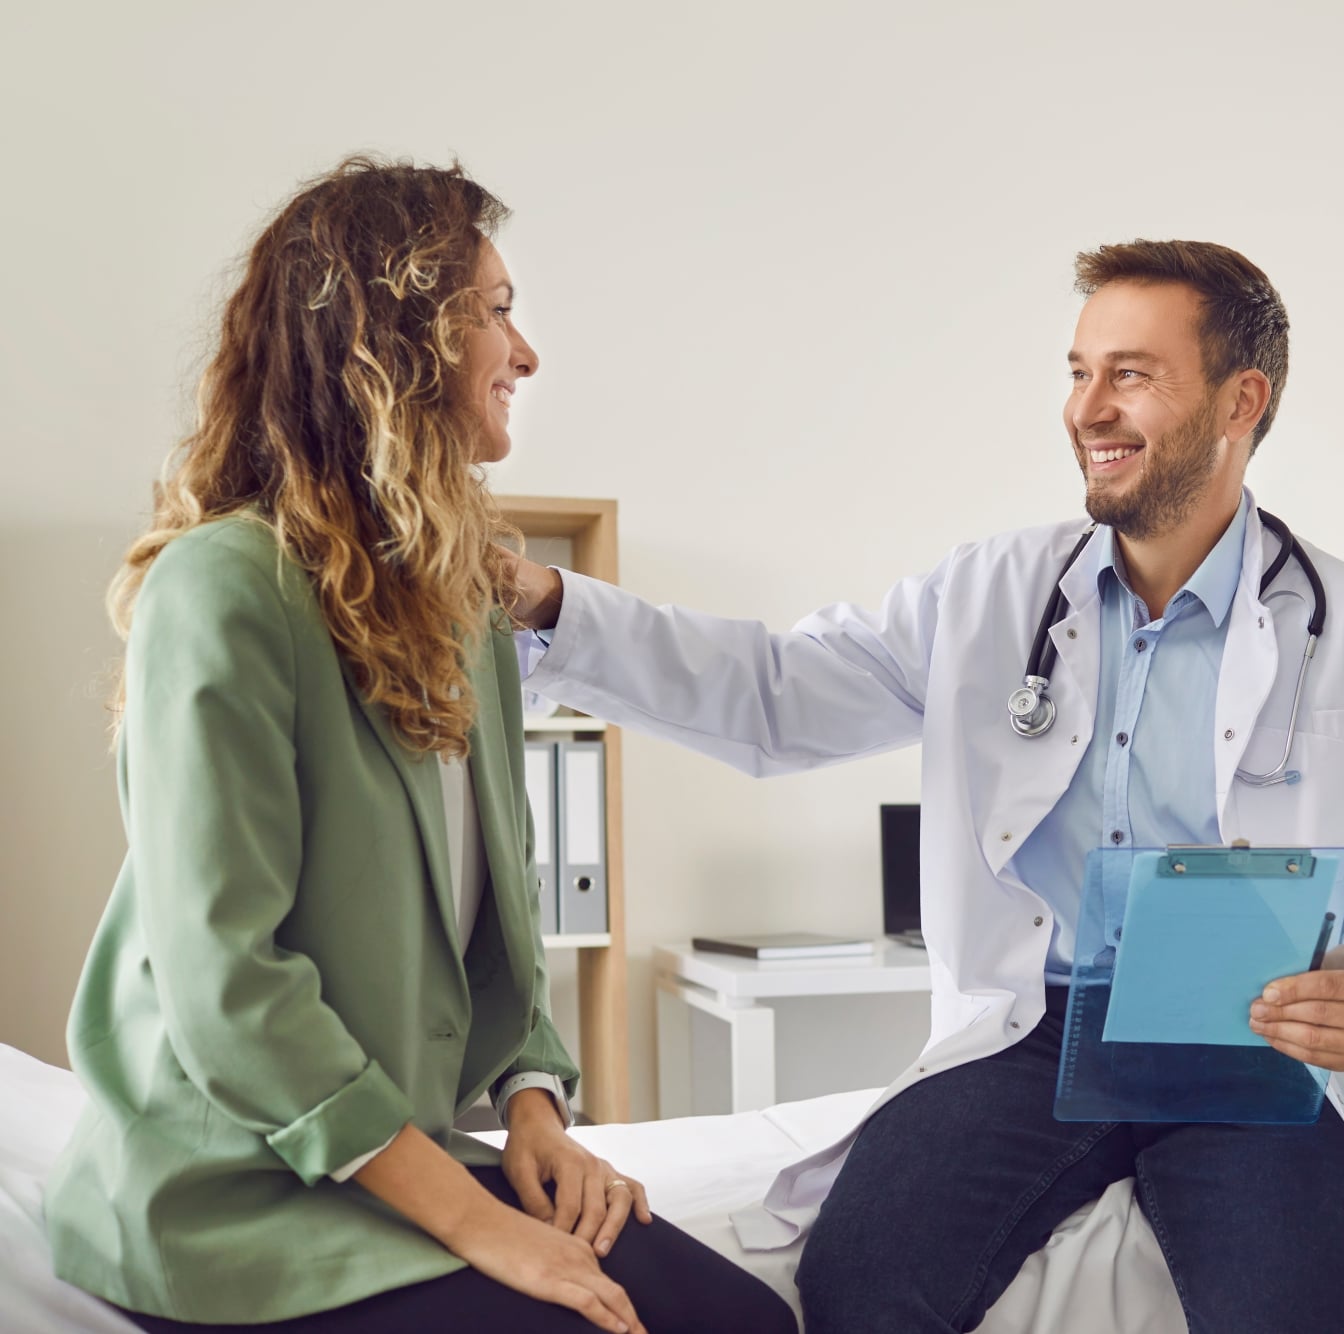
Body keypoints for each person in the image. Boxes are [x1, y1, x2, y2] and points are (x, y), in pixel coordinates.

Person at [506, 239, 1344, 1333]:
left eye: (1130, 373)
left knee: (1292, 1306)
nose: (1088, 408)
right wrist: (552, 603)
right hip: (1035, 1029)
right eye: (1077, 372)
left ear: (1239, 400)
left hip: (1249, 1038)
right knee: (861, 1282)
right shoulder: (987, 595)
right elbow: (774, 691)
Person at [42, 157, 797, 1334]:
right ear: (400, 342)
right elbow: (227, 987)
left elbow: (497, 927)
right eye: (496, 312)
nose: (525, 353)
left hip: (393, 1169)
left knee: (746, 1320)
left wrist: (538, 1111)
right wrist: (480, 1218)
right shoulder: (223, 590)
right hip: (232, 1198)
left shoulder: (463, 604)